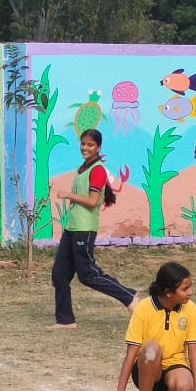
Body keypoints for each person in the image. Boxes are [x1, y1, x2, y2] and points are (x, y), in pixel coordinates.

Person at [50, 128, 138, 328]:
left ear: (98, 147)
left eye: (90, 145)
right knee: (59, 274)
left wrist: (68, 195)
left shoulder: (97, 170)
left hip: (84, 229)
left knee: (88, 275)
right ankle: (65, 320)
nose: (85, 148)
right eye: (83, 144)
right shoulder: (83, 168)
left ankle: (130, 297)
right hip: (72, 228)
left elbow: (92, 201)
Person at [109, 261, 196, 391]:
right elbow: (130, 355)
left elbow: (194, 354)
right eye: (185, 289)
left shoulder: (191, 309)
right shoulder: (144, 308)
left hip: (175, 365)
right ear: (168, 293)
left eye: (190, 287)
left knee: (184, 388)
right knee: (152, 349)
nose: (190, 292)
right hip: (146, 368)